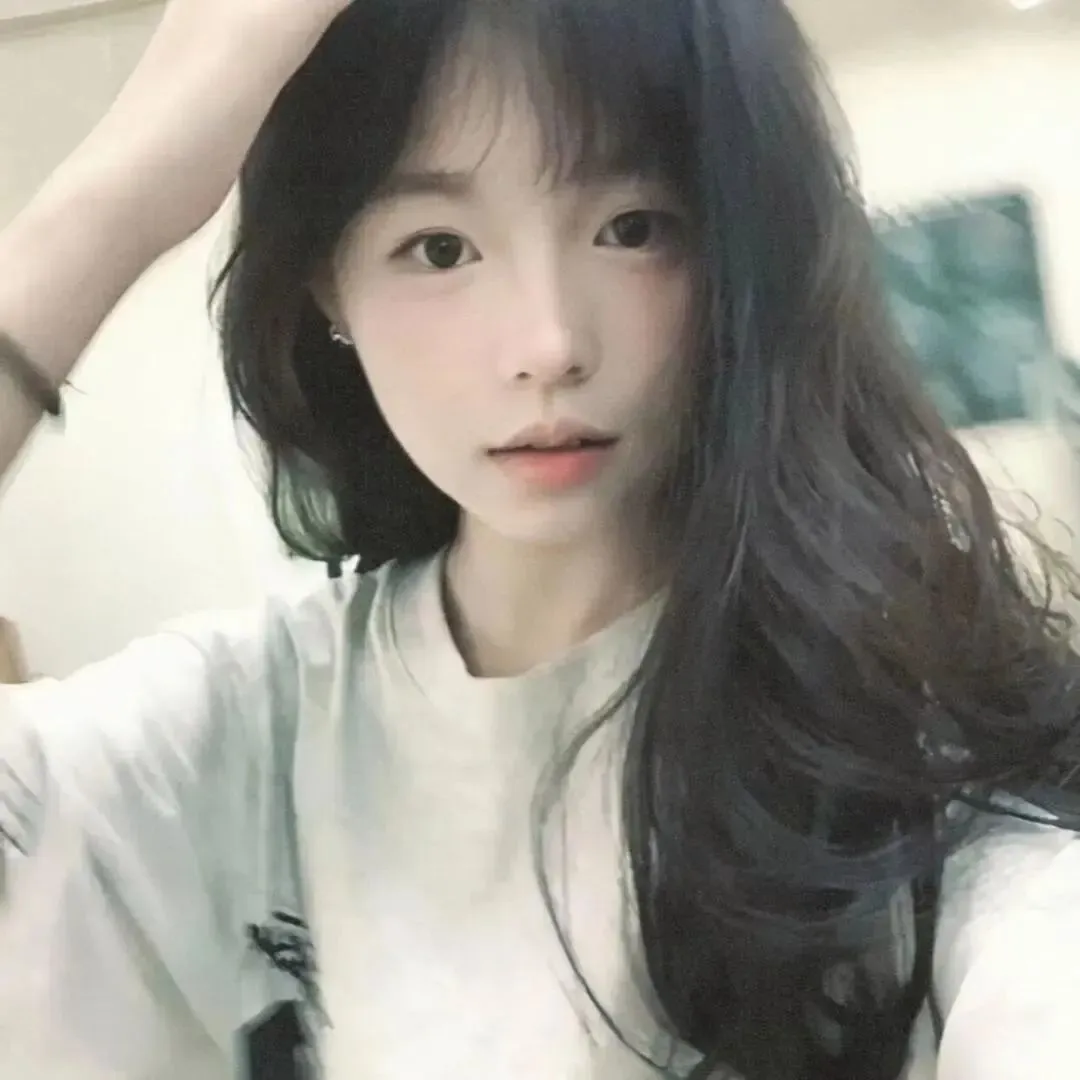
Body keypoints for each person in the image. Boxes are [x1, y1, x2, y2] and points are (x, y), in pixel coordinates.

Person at [1, 0, 1079, 1077]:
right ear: (328, 279)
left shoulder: (906, 752)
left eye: (634, 228)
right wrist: (125, 186)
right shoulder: (242, 737)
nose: (550, 344)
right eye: (439, 247)